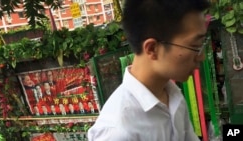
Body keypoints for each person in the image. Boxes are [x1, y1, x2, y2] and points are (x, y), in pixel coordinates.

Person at [88, 0, 210, 141]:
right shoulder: (117, 131)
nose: (201, 56)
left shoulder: (173, 96)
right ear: (152, 49)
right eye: (195, 45)